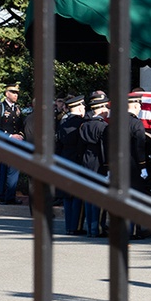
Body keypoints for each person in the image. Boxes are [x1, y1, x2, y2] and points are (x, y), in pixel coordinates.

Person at [77, 91, 110, 238]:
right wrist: (108, 166)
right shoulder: (103, 127)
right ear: (102, 108)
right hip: (99, 165)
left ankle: (91, 227)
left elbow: (81, 147)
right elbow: (104, 149)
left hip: (86, 162)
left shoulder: (84, 125)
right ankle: (98, 228)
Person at [0, 83, 25, 204]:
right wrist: (10, 136)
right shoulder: (0, 108)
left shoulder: (17, 109)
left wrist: (20, 135)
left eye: (17, 93)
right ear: (6, 94)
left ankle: (8, 195)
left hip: (15, 144)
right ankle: (2, 195)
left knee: (12, 170)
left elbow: (21, 126)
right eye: (13, 93)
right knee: (4, 170)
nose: (16, 95)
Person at [57, 95, 86, 234]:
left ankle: (69, 226)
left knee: (67, 195)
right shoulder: (81, 123)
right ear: (80, 107)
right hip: (77, 162)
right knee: (77, 196)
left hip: (64, 160)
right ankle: (76, 226)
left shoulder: (63, 122)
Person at [127, 92, 149, 190]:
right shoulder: (136, 124)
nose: (140, 109)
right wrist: (142, 166)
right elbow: (139, 147)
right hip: (132, 164)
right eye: (140, 106)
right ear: (136, 106)